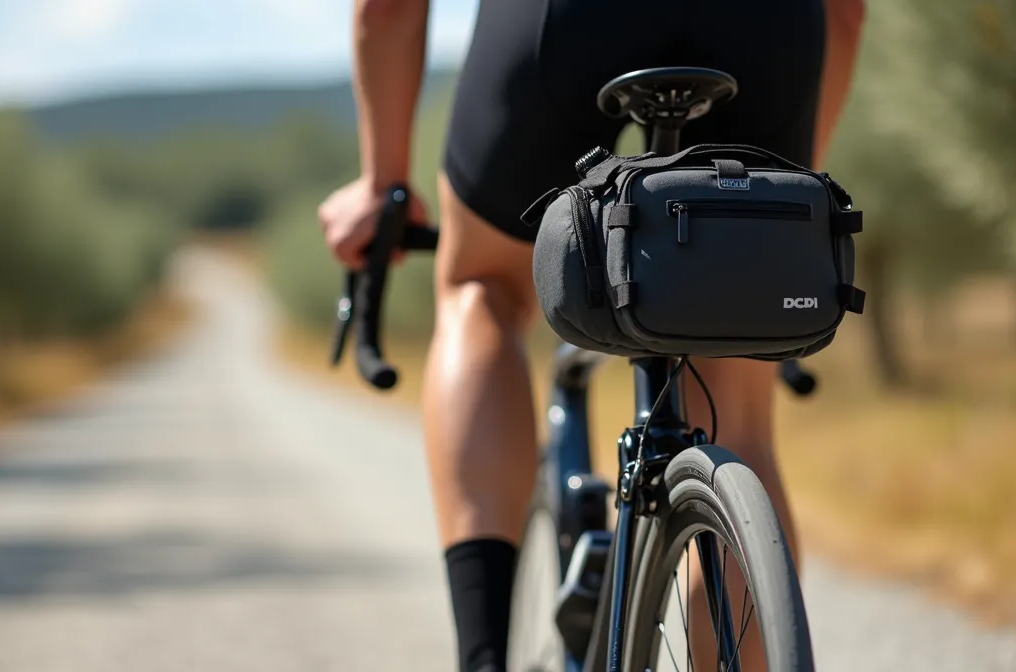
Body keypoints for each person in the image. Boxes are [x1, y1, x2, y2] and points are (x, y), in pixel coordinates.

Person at [318, 0, 866, 669]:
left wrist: (383, 182)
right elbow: (845, 13)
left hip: (562, 24)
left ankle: (483, 654)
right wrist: (783, 208)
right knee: (737, 407)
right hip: (763, 28)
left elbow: (391, 8)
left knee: (480, 290)